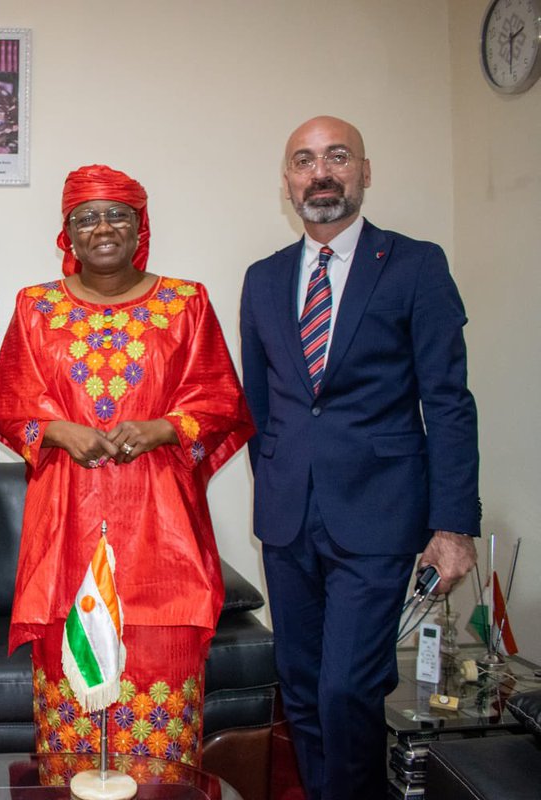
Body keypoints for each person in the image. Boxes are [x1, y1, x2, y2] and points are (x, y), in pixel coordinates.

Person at [0, 164, 253, 775]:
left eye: (117, 216)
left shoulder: (186, 303)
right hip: (66, 532)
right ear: (68, 233)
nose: (102, 228)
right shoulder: (36, 307)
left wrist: (163, 428)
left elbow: (220, 402)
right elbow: (5, 403)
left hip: (162, 536)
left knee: (163, 683)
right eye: (86, 217)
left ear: (140, 227)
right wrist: (56, 429)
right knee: (71, 703)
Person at [239, 116, 479, 800]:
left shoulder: (415, 264)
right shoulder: (262, 280)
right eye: (305, 160)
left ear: (364, 172)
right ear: (287, 182)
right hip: (287, 521)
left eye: (337, 157)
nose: (321, 171)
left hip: (378, 515)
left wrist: (452, 525)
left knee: (349, 688)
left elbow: (449, 402)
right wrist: (280, 487)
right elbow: (262, 409)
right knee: (306, 690)